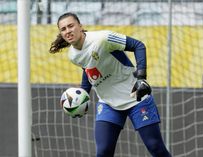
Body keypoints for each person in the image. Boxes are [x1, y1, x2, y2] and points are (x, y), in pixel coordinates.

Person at [49, 12, 171, 157]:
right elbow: (88, 68)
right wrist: (83, 95)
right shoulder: (73, 55)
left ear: (80, 26)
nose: (68, 31)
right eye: (63, 29)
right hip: (108, 103)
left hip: (135, 96)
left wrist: (141, 78)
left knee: (155, 147)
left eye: (71, 26)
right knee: (103, 151)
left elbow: (138, 45)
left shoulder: (102, 38)